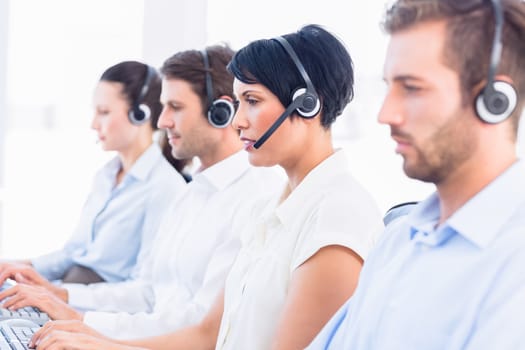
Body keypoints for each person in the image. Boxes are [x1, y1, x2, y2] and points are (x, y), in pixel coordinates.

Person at [29, 24, 383, 350]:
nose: (238, 120)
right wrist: (92, 336)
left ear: (307, 105)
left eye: (252, 101)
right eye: (238, 101)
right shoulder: (271, 209)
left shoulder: (337, 216)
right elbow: (208, 333)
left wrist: (97, 339)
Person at [1, 44, 283, 339]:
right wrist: (62, 299)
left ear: (220, 112)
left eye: (176, 107)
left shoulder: (256, 197)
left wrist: (85, 324)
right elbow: (148, 293)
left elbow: (201, 329)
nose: (161, 121)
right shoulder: (193, 192)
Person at [306, 0, 525, 349]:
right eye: (389, 86)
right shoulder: (398, 240)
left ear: (494, 99)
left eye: (411, 88)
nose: (385, 113)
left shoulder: (514, 265)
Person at [0, 61, 188, 289]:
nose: (93, 124)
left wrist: (59, 294)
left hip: (96, 308)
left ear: (140, 114)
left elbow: (144, 289)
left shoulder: (164, 188)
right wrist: (17, 266)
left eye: (104, 112)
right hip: (70, 290)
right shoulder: (105, 176)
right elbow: (74, 253)